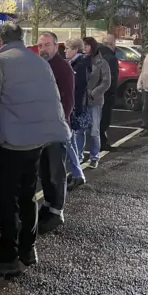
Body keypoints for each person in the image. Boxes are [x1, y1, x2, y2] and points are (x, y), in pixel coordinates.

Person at [0, 22, 69, 277]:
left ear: (0, 41)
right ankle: (28, 249)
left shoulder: (0, 63)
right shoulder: (40, 62)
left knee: (6, 201)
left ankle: (7, 257)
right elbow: (54, 100)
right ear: (22, 38)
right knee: (28, 195)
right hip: (36, 142)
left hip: (10, 143)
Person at [37, 32, 75, 234]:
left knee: (56, 171)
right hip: (40, 128)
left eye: (47, 45)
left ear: (55, 46)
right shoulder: (40, 66)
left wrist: (62, 124)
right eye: (40, 45)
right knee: (44, 170)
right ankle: (48, 204)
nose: (43, 49)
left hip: (56, 128)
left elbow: (68, 100)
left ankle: (57, 211)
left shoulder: (63, 68)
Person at [64, 37, 89, 190]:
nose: (65, 51)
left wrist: (75, 108)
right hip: (73, 107)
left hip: (73, 107)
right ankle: (75, 172)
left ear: (74, 49)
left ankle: (78, 174)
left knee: (69, 141)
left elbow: (78, 89)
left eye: (67, 48)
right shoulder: (75, 63)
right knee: (70, 141)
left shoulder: (79, 65)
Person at [82, 37, 111, 169]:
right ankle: (79, 155)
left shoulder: (101, 63)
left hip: (94, 101)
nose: (84, 47)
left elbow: (106, 82)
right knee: (80, 130)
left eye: (86, 45)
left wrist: (93, 93)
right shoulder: (81, 60)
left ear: (92, 47)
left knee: (94, 130)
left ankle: (94, 157)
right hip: (81, 100)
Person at [98, 34, 119, 151]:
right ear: (111, 44)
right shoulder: (111, 58)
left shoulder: (97, 55)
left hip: (97, 93)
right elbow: (111, 78)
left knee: (98, 118)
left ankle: (100, 142)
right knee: (104, 119)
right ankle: (102, 143)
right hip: (107, 93)